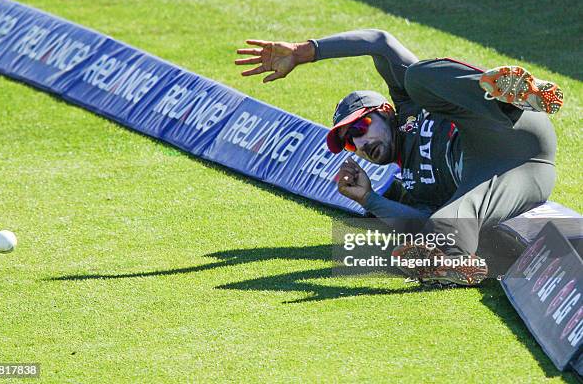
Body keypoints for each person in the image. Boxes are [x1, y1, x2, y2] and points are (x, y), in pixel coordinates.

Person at [235, 29, 563, 287]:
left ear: (385, 112)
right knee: (441, 224)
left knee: (418, 76)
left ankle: (516, 96)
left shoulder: (407, 104)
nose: (361, 143)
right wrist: (369, 199)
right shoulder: (410, 187)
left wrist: (305, 51)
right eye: (351, 143)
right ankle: (454, 263)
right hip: (516, 176)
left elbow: (379, 41)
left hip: (507, 126)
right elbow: (416, 224)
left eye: (362, 125)